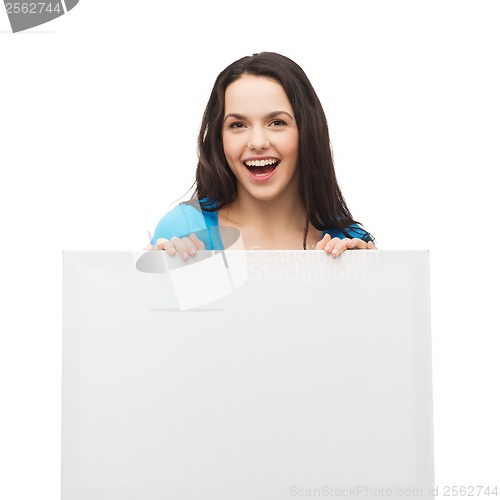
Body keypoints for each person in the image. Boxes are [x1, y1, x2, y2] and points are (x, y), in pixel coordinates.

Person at [149, 52, 376, 259]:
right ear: (220, 139)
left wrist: (370, 280)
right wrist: (158, 278)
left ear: (307, 132)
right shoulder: (182, 230)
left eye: (277, 123)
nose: (257, 143)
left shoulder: (350, 242)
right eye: (238, 125)